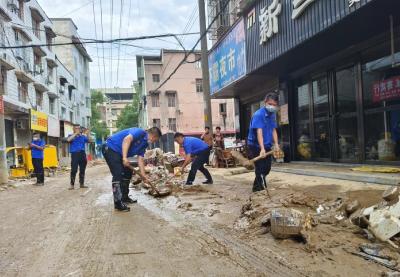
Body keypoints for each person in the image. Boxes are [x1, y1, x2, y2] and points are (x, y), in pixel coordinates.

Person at [102, 127, 162, 212]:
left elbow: (140, 159)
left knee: (127, 172)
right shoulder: (139, 132)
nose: (155, 141)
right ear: (154, 136)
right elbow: (127, 140)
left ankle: (124, 197)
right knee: (118, 174)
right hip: (110, 148)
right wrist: (125, 157)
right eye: (156, 139)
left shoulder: (145, 144)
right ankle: (118, 203)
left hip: (119, 153)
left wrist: (144, 176)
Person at [247, 92, 280, 192]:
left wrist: (277, 144)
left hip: (267, 144)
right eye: (270, 104)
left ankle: (256, 186)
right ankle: (261, 189)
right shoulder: (258, 115)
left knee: (267, 168)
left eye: (274, 105)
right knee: (260, 168)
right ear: (265, 103)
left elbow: (273, 130)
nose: (272, 107)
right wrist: (262, 149)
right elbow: (259, 132)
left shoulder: (272, 115)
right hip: (255, 145)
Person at [67, 125, 91, 190]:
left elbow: (90, 141)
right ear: (73, 129)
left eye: (79, 128)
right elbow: (68, 140)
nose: (78, 129)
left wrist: (88, 134)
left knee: (82, 170)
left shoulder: (83, 136)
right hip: (75, 154)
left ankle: (82, 184)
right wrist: (76, 134)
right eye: (76, 128)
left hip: (82, 154)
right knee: (74, 170)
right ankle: (72, 185)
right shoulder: (71, 135)